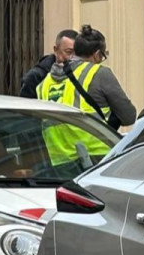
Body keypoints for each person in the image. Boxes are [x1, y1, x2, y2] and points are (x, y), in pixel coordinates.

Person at [37, 25, 137, 167]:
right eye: (102, 56)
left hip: (58, 162)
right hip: (96, 157)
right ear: (96, 54)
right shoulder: (99, 73)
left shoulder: (45, 83)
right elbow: (128, 116)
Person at [19, 29, 78, 99]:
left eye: (78, 53)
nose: (73, 57)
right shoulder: (36, 77)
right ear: (56, 50)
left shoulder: (82, 73)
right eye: (69, 52)